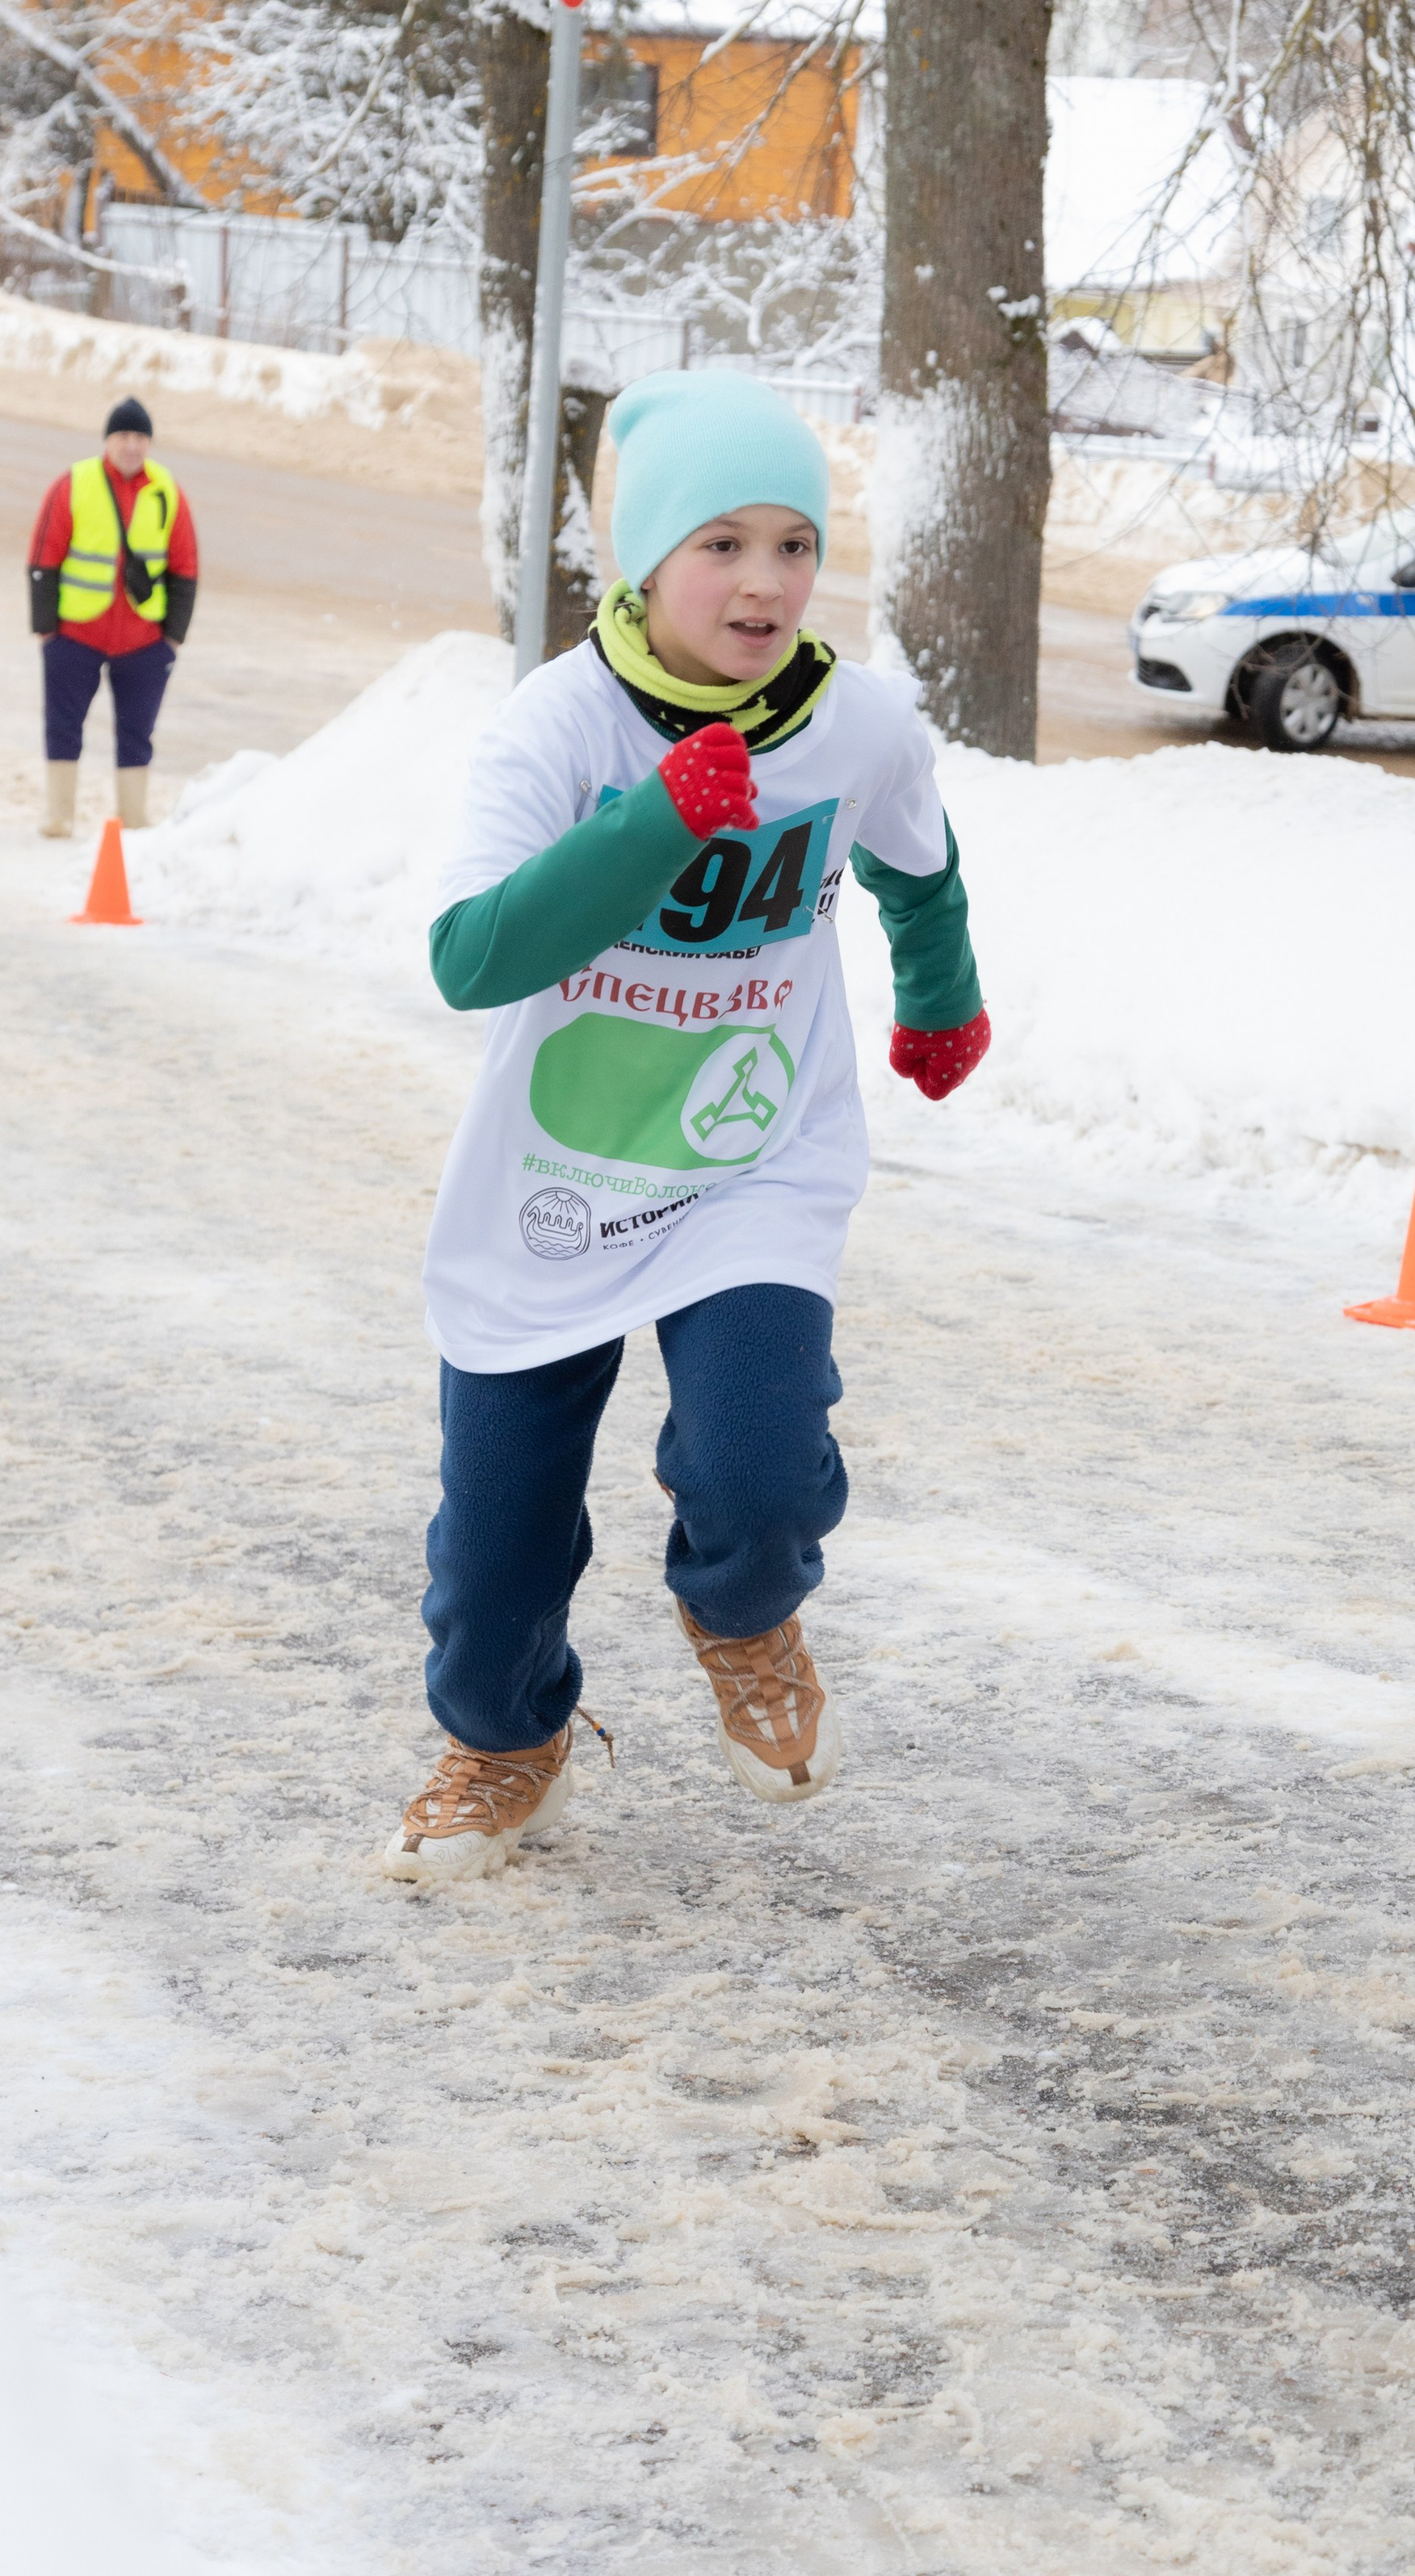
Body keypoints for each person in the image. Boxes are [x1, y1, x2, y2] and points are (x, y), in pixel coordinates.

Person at [384, 367, 991, 1884]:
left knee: (762, 1468)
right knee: (496, 1551)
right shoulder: (558, 725)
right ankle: (507, 1740)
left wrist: (940, 997)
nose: (769, 580)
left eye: (795, 543)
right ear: (647, 563)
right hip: (559, 1172)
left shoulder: (855, 728)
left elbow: (917, 861)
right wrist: (653, 821)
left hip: (752, 1159)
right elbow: (472, 959)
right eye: (724, 544)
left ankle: (744, 1613)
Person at [27, 394, 199, 837]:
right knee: (63, 725)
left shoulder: (167, 490)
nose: (133, 445)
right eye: (124, 435)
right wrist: (47, 630)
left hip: (143, 642)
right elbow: (44, 556)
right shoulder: (75, 483)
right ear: (108, 440)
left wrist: (172, 637)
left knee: (137, 735)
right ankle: (59, 817)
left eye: (141, 436)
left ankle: (134, 822)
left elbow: (185, 567)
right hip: (76, 634)